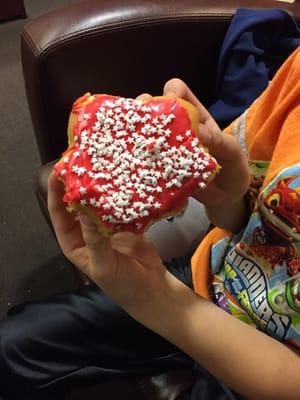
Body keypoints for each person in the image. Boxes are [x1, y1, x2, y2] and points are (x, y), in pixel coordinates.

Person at [1, 48, 300, 400]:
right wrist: (226, 196)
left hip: (272, 367)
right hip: (214, 276)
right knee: (14, 347)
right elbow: (248, 217)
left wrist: (157, 301)